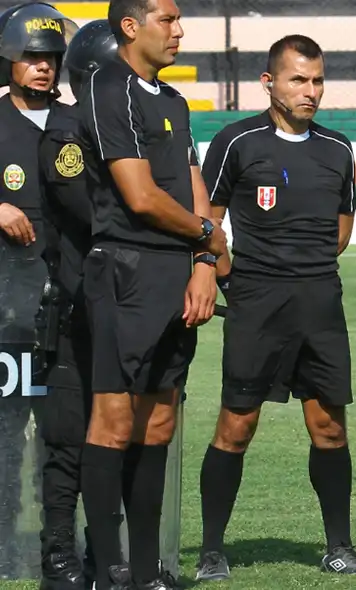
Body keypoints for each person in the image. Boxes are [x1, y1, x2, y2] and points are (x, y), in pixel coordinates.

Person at [193, 33, 356, 581]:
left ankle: (339, 546)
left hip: (321, 303)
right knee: (236, 426)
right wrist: (229, 279)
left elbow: (341, 230)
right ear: (269, 82)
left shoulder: (338, 148)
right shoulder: (237, 141)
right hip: (258, 305)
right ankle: (211, 550)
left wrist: (306, 267)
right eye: (298, 80)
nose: (310, 91)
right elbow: (208, 221)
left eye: (317, 80)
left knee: (329, 428)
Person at [76, 0, 228, 586]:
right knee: (113, 422)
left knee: (159, 422)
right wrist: (208, 235)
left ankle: (147, 572)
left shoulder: (173, 100)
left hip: (176, 271)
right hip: (124, 271)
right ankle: (106, 571)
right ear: (130, 26)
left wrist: (205, 262)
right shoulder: (106, 88)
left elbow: (192, 185)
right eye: (167, 19)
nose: (179, 30)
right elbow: (140, 197)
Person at [37, 18, 119, 589]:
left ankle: (108, 555)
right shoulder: (65, 134)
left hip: (127, 309)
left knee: (120, 442)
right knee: (69, 442)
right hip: (78, 309)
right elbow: (95, 214)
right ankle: (60, 558)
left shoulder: (135, 127)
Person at [0, 1, 76, 580]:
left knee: (62, 436)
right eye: (31, 56)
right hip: (5, 310)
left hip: (69, 308)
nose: (43, 66)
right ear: (9, 59)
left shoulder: (77, 124)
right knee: (5, 434)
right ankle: (4, 544)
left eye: (51, 56)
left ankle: (60, 547)